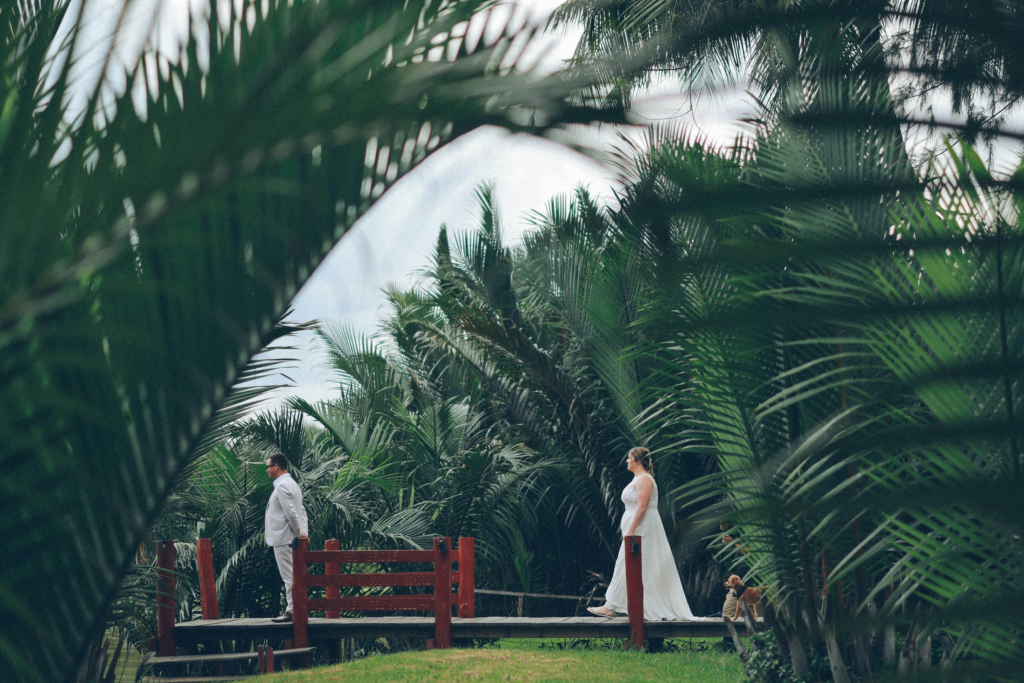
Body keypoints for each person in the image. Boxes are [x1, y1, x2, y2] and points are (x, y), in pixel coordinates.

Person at [587, 447, 695, 620]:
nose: (627, 461)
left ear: (638, 460)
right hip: (636, 527)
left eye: (629, 458)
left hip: (642, 528)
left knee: (628, 562)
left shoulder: (644, 479)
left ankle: (610, 606)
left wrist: (631, 531)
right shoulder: (637, 478)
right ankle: (612, 606)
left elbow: (643, 506)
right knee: (628, 564)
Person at [264, 452, 308, 623]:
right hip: (290, 538)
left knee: (289, 576)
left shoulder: (282, 486)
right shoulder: (292, 484)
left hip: (284, 538)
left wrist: (299, 534)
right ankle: (295, 608)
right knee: (293, 575)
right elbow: (301, 511)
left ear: (276, 466)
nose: (267, 470)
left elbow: (292, 513)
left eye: (268, 466)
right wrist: (302, 533)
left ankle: (291, 610)